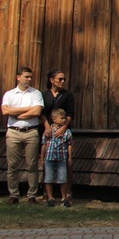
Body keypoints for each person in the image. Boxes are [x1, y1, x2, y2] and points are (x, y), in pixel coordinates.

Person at [2, 67, 44, 204]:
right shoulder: (10, 94)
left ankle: (31, 195)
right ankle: (14, 194)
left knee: (31, 164)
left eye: (30, 77)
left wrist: (16, 114)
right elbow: (5, 111)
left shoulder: (35, 93)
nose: (29, 79)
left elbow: (37, 111)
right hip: (13, 132)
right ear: (18, 77)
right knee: (12, 165)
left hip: (31, 131)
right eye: (26, 77)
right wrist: (27, 109)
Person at [40, 69, 75, 205]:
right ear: (51, 80)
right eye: (59, 79)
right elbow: (42, 112)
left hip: (64, 129)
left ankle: (67, 193)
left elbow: (70, 113)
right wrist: (47, 126)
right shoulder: (44, 95)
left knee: (65, 163)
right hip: (48, 130)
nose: (62, 81)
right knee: (47, 159)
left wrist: (63, 127)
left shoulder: (67, 95)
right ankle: (47, 193)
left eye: (64, 79)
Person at [39, 108, 73, 207]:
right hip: (49, 158)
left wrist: (69, 157)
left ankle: (64, 198)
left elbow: (69, 144)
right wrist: (42, 158)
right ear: (54, 119)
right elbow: (44, 144)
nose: (64, 120)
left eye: (64, 118)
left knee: (62, 179)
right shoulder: (48, 131)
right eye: (62, 118)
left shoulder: (67, 132)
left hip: (61, 158)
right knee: (48, 179)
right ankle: (50, 198)